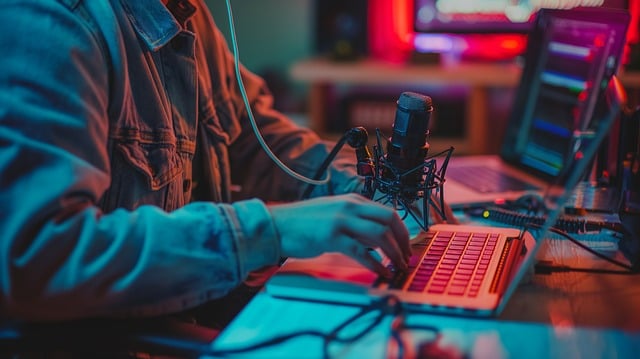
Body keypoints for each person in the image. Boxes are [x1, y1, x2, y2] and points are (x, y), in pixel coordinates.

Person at [0, 0, 410, 329]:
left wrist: (369, 196)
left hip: (201, 318)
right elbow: (37, 256)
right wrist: (270, 229)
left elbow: (259, 141)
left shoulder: (185, 13)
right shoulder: (49, 22)